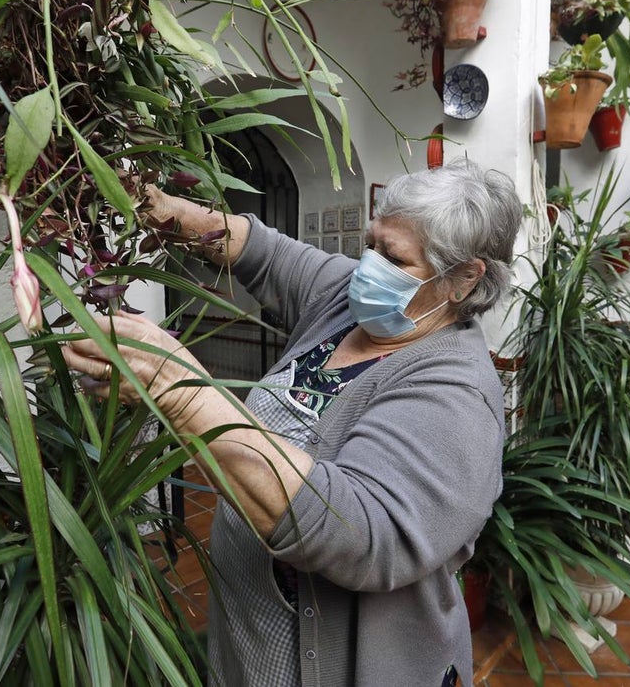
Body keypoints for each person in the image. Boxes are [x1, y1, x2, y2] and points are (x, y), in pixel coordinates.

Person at [61, 157, 522, 687]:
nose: (368, 265)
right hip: (245, 645)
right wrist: (159, 208)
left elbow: (359, 535)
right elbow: (258, 251)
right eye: (372, 243)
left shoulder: (455, 392)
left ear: (462, 280)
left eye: (393, 257)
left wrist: (180, 390)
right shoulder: (348, 304)